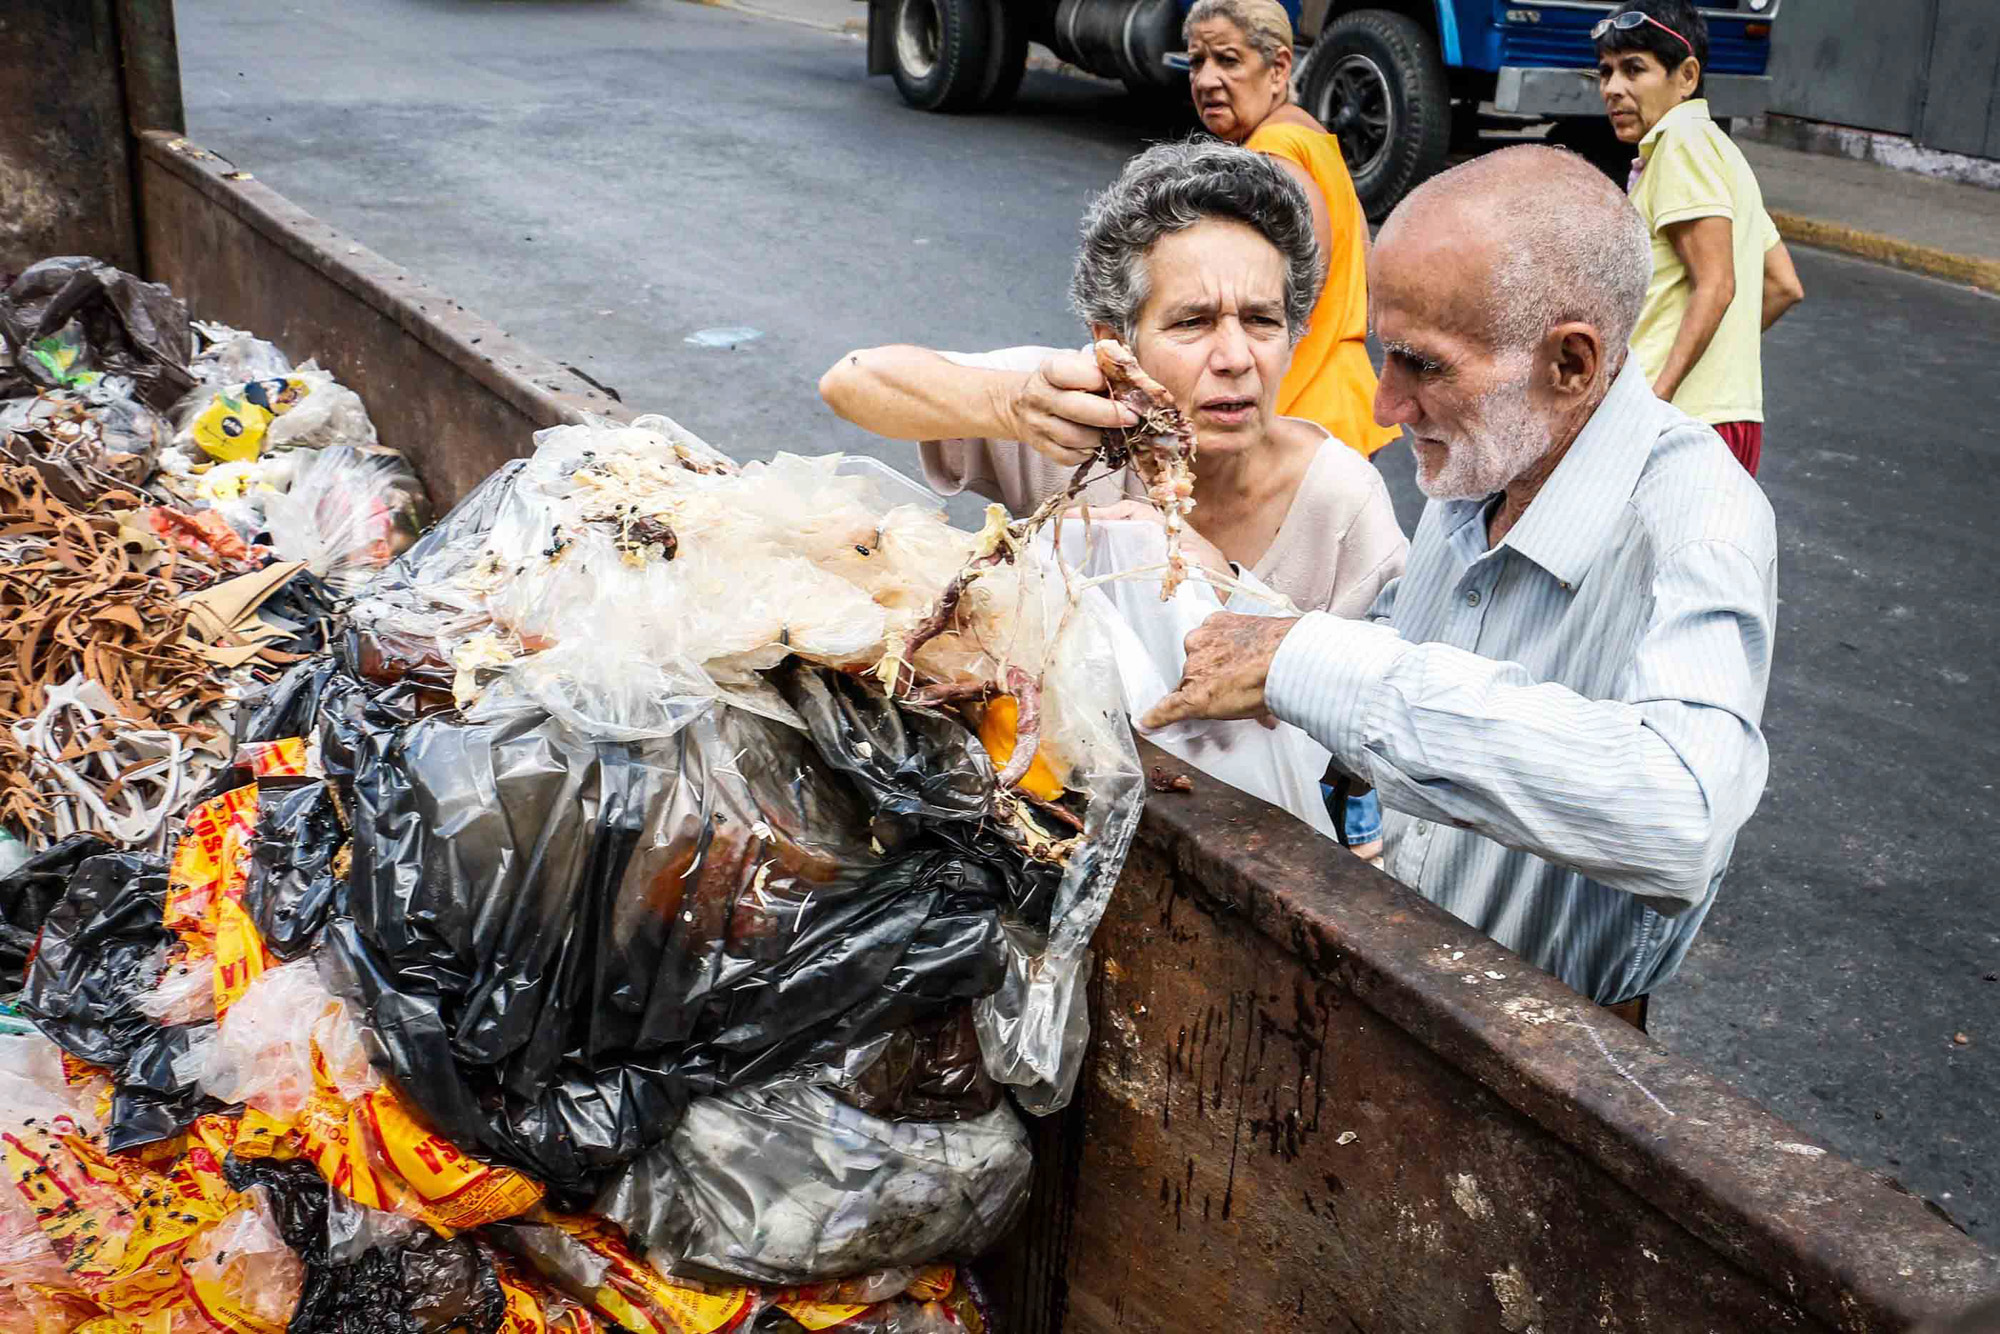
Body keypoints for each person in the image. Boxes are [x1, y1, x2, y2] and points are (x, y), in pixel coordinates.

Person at [1142, 146, 1777, 1029]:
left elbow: (1681, 814)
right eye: (1384, 355)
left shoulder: (1698, 520)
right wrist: (1241, 623)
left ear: (1571, 364)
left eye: (1423, 365)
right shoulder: (1491, 455)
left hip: (1547, 1042)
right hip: (1400, 978)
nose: (1385, 405)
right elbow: (1413, 650)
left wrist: (1310, 664)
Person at [820, 139, 1407, 858]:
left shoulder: (1343, 504)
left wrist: (1231, 595)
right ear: (1114, 345)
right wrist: (1008, 404)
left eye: (1262, 320)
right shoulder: (1071, 414)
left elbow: (1378, 745)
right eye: (1191, 322)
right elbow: (852, 380)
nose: (1235, 358)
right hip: (1049, 829)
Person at [1595, 0, 1804, 476]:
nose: (1613, 88)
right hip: (1725, 416)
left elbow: (1716, 284)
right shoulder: (1721, 151)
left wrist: (1657, 399)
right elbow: (1782, 284)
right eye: (1606, 72)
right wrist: (1718, 361)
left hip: (1675, 423)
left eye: (1634, 69)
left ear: (1686, 76)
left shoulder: (1681, 144)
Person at [1183, 0, 1397, 462]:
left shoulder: (1273, 153)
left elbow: (1292, 291)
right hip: (1339, 400)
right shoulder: (1308, 137)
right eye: (1197, 61)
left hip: (1300, 414)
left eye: (1228, 60)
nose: (1205, 80)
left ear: (1279, 67)